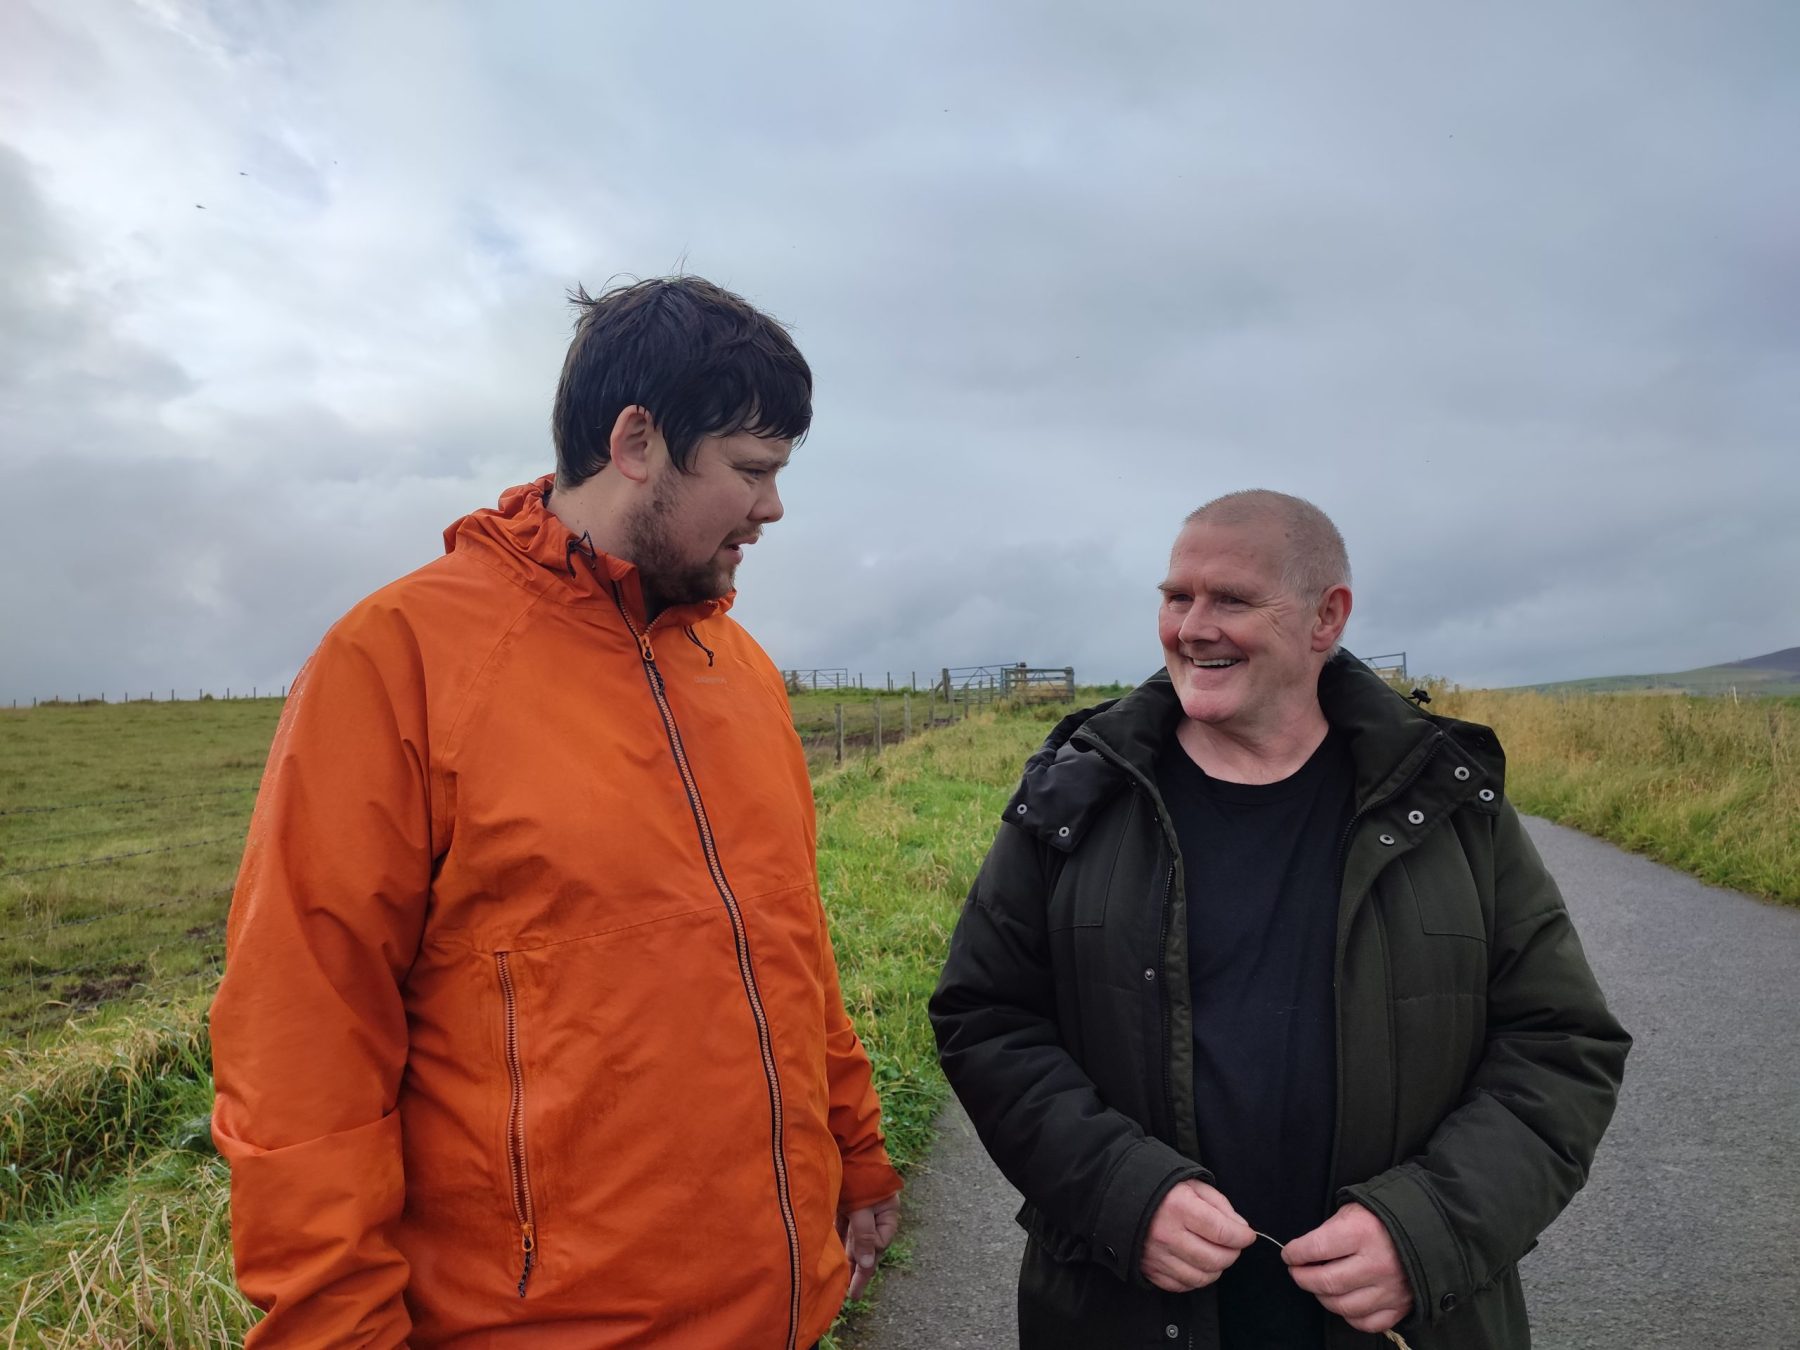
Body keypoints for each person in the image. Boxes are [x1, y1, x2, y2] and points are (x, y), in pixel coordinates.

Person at [212, 276, 902, 1349]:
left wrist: (855, 1147)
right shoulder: (397, 663)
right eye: (753, 471)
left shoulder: (742, 669)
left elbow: (792, 949)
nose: (772, 509)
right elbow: (303, 1039)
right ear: (637, 441)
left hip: (780, 1309)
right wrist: (335, 1328)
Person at [930, 490, 1628, 1349]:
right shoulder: (1080, 795)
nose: (1192, 627)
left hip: (1394, 1322)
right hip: (1126, 1313)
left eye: (1231, 599)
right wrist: (1121, 1192)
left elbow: (1561, 1046)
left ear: (1324, 618)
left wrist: (1428, 1229)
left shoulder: (1444, 802)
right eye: (1175, 596)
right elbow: (987, 1019)